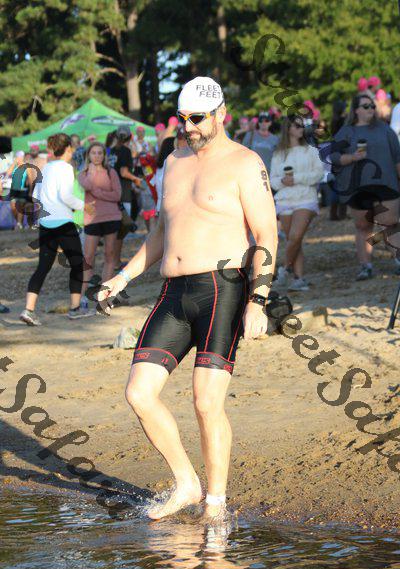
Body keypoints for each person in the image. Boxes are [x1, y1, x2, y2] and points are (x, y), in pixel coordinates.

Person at [97, 76, 277, 521]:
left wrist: (258, 300)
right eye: (183, 118)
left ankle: (215, 504)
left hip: (223, 290)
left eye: (198, 118)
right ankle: (186, 483)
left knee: (205, 402)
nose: (189, 126)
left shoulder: (245, 162)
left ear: (221, 115)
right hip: (173, 293)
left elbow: (266, 234)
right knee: (139, 393)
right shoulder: (174, 162)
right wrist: (122, 277)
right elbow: (162, 231)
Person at [20, 133, 95, 326]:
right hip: (63, 222)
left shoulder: (45, 167)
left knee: (42, 267)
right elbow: (66, 196)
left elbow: (35, 195)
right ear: (68, 148)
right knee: (77, 264)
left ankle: (28, 310)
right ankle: (75, 309)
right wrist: (84, 206)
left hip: (46, 223)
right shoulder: (66, 168)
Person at [331, 93, 400, 280]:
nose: (371, 109)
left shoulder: (385, 129)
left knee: (390, 223)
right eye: (366, 106)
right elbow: (333, 157)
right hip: (358, 186)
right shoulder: (347, 131)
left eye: (372, 106)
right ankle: (366, 266)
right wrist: (352, 157)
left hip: (386, 183)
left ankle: (398, 260)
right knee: (363, 226)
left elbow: (397, 158)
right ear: (356, 110)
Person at [270, 115, 324, 291]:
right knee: (295, 241)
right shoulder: (278, 154)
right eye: (297, 125)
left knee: (295, 236)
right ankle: (299, 279)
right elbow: (272, 180)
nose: (302, 128)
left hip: (306, 198)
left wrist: (297, 179)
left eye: (303, 125)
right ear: (288, 129)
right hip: (285, 199)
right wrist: (283, 181)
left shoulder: (311, 151)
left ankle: (283, 269)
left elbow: (318, 174)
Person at [78, 142, 122, 298]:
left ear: (104, 155)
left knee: (109, 255)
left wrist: (97, 193)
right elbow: (86, 186)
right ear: (88, 155)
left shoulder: (111, 172)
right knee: (88, 257)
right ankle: (83, 295)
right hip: (92, 219)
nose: (97, 156)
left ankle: (104, 294)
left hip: (111, 217)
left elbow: (117, 195)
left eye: (100, 153)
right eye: (93, 153)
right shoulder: (83, 173)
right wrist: (91, 172)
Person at [109, 125, 142, 270]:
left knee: (116, 231)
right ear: (130, 137)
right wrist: (136, 179)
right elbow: (123, 172)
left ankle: (112, 261)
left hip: (112, 193)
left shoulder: (112, 151)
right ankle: (115, 262)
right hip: (123, 193)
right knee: (121, 231)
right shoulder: (125, 151)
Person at [8, 151, 35, 230]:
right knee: (13, 208)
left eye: (20, 157)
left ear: (22, 157)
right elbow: (8, 173)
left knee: (20, 207)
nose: (19, 158)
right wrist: (14, 163)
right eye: (18, 157)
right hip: (13, 190)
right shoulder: (14, 166)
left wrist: (30, 191)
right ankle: (19, 222)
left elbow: (31, 180)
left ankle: (19, 223)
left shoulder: (26, 167)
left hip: (22, 190)